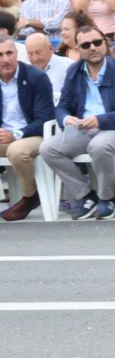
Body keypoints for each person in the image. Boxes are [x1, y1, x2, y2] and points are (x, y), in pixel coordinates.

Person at [41, 17, 115, 220]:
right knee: (48, 149)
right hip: (82, 129)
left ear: (105, 44)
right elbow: (62, 106)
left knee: (99, 146)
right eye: (86, 45)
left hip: (114, 128)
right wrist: (66, 119)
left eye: (97, 43)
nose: (93, 48)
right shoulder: (74, 71)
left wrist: (102, 119)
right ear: (78, 49)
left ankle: (106, 198)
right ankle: (85, 195)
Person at [0, 34, 56, 221]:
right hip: (3, 135)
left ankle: (30, 197)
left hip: (32, 133)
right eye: (0, 55)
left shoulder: (36, 77)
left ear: (17, 54)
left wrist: (15, 134)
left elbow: (44, 119)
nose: (5, 59)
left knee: (17, 152)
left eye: (9, 53)